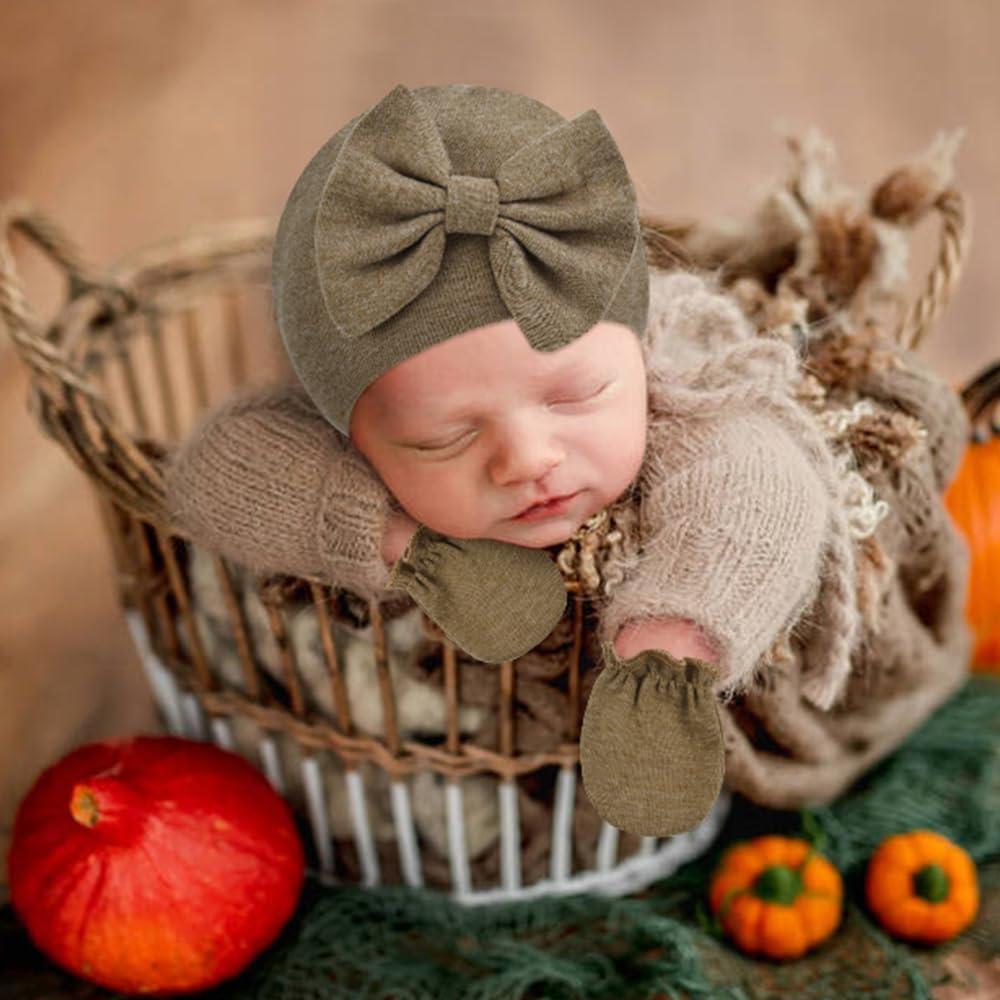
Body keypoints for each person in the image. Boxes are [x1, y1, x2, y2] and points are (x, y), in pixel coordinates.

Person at [164, 83, 951, 837]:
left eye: (575, 396)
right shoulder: (350, 440)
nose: (527, 459)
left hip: (666, 647)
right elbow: (218, 466)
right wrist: (404, 542)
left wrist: (670, 640)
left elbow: (762, 490)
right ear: (353, 436)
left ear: (637, 354)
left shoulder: (681, 387)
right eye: (445, 438)